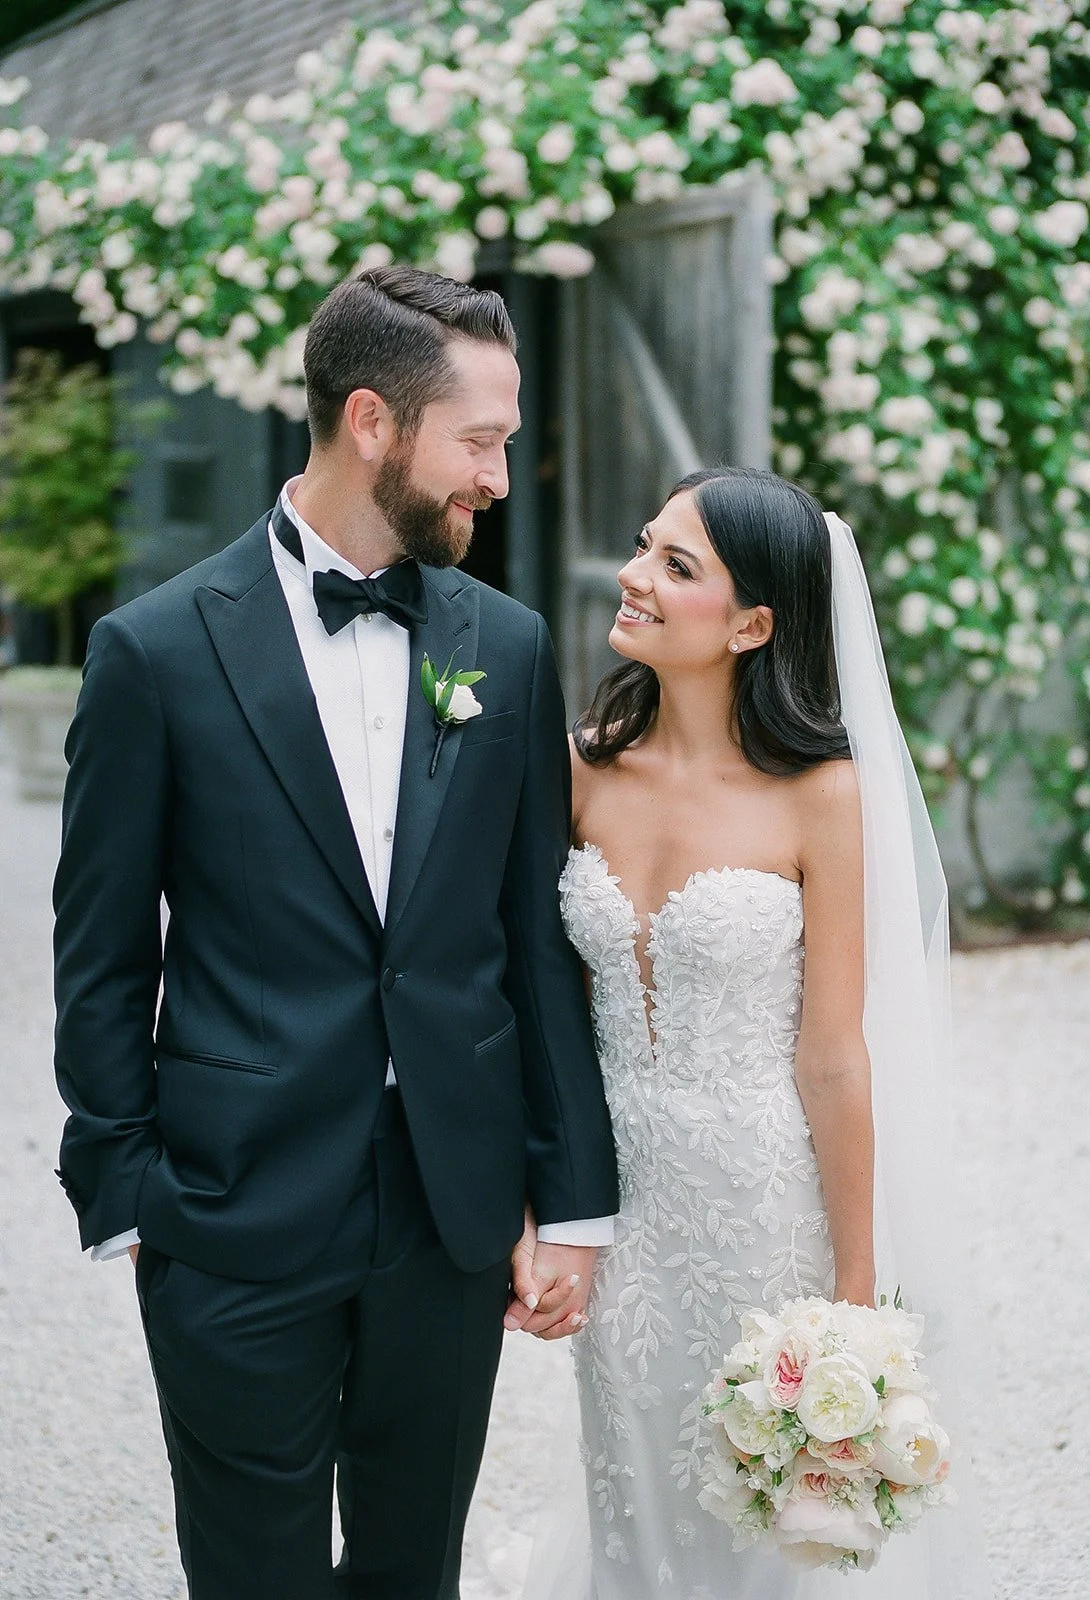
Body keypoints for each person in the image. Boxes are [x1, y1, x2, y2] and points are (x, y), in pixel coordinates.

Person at [52, 265, 619, 1600]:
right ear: (371, 421)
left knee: (413, 1569)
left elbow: (533, 938)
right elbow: (101, 952)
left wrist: (573, 1194)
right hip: (231, 1208)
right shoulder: (154, 652)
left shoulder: (510, 645)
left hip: (449, 1206)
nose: (496, 475)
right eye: (478, 442)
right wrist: (128, 1192)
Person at [524, 467, 989, 1598]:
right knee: (632, 1502)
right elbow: (537, 1010)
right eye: (645, 544)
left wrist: (854, 1290)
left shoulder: (819, 794)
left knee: (765, 1534)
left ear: (751, 623)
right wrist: (544, 1207)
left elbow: (832, 1054)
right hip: (619, 1219)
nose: (633, 576)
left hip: (760, 1210)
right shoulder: (580, 762)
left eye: (675, 566)